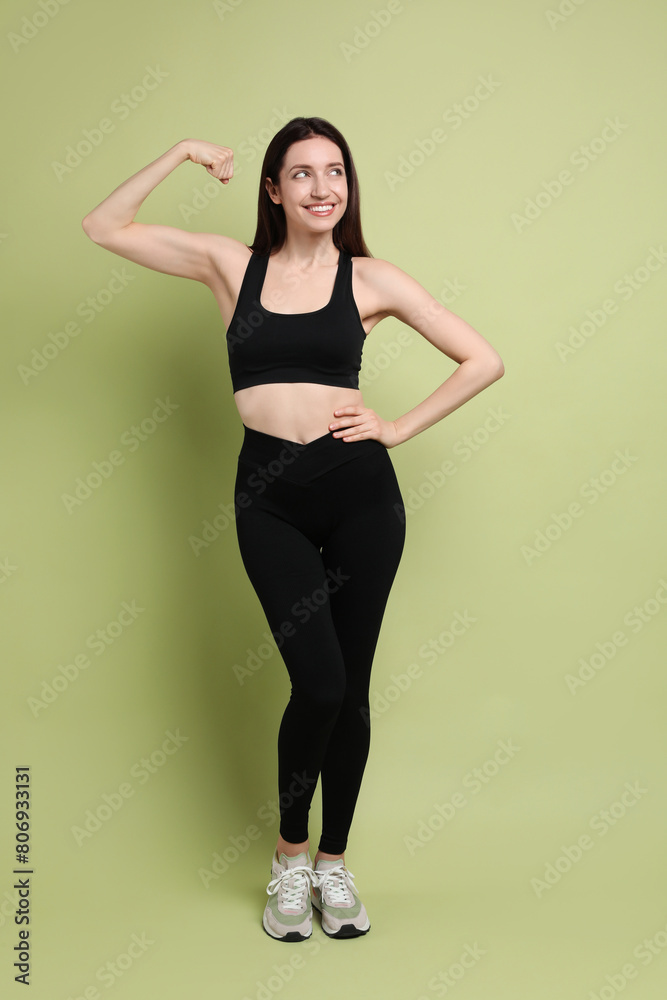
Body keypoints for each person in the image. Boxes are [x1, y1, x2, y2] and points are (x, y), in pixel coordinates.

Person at [81, 116, 504, 942]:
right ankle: (289, 860)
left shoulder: (371, 278)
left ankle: (334, 869)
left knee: (349, 691)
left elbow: (481, 359)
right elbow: (104, 226)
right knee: (315, 682)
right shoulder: (228, 266)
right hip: (268, 496)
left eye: (335, 172)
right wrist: (178, 152)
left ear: (348, 187)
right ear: (272, 189)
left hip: (361, 497)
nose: (322, 187)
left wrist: (399, 427)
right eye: (301, 173)